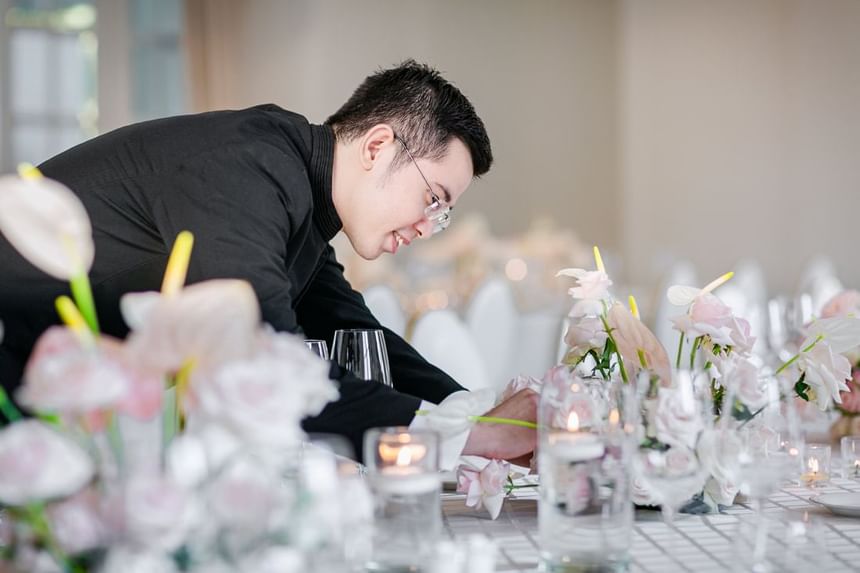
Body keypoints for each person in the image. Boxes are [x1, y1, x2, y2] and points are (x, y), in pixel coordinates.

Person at [0, 60, 536, 464]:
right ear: (377, 147)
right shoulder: (248, 170)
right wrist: (478, 437)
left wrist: (480, 409)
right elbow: (266, 360)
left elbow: (358, 335)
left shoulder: (292, 192)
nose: (429, 225)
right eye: (434, 199)